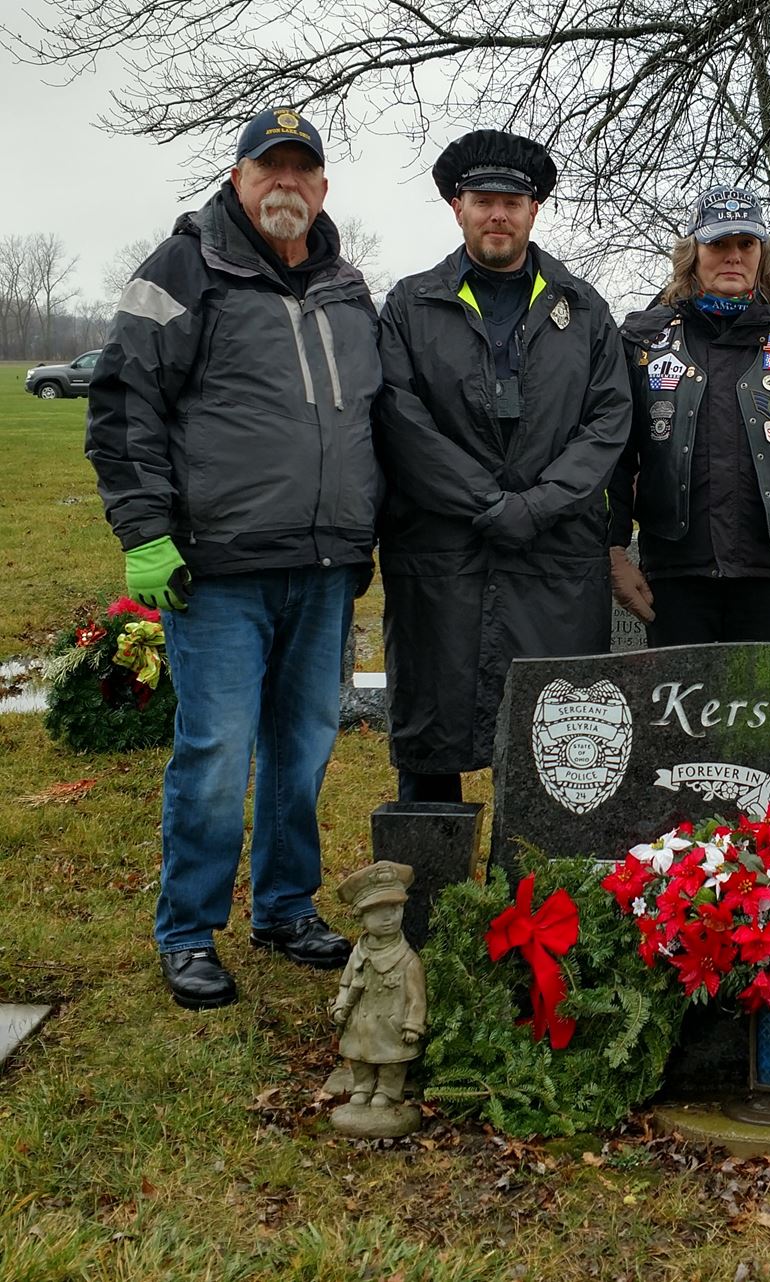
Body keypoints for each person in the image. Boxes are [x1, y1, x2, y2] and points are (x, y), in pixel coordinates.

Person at [87, 108, 382, 1009]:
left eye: (302, 170)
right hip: (216, 568)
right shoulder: (181, 269)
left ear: (322, 188)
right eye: (269, 169)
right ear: (238, 178)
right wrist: (145, 532)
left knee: (302, 752)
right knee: (215, 752)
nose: (285, 184)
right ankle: (187, 929)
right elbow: (124, 401)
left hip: (327, 563)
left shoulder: (347, 285)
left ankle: (285, 907)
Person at [374, 130, 630, 802]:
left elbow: (608, 424)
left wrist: (537, 505)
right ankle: (431, 892)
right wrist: (485, 504)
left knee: (558, 747)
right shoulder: (410, 306)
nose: (499, 214)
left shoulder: (586, 311)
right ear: (456, 206)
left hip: (553, 559)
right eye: (484, 200)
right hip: (442, 554)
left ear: (534, 211)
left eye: (513, 202)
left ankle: (542, 901)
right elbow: (401, 419)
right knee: (434, 733)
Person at [606, 186, 770, 643]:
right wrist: (611, 549)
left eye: (745, 244)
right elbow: (611, 454)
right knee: (676, 711)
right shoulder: (644, 342)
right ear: (693, 252)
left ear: (762, 254)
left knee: (764, 713)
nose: (733, 256)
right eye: (718, 244)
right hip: (675, 574)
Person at [331, 862, 426, 1110]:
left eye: (395, 908)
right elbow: (345, 984)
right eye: (378, 912)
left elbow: (417, 998)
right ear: (360, 917)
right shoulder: (357, 954)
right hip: (361, 1025)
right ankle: (362, 1084)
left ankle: (388, 1089)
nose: (389, 917)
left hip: (391, 1027)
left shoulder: (407, 960)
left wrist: (413, 1024)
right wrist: (340, 1005)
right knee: (360, 1057)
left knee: (392, 1061)